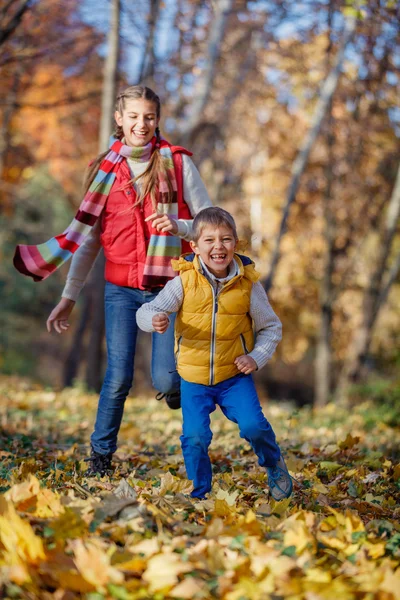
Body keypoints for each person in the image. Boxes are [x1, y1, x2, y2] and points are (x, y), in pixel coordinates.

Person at [13, 85, 212, 476]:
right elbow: (88, 241)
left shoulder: (177, 162)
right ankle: (99, 459)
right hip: (119, 290)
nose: (142, 124)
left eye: (149, 117)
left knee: (166, 378)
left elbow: (210, 222)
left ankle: (174, 391)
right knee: (117, 376)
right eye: (134, 116)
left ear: (158, 120)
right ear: (120, 119)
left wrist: (179, 225)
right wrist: (69, 296)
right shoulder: (104, 170)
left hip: (169, 288)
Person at [136, 207, 292, 501]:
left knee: (254, 427)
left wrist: (256, 358)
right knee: (194, 438)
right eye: (209, 240)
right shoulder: (184, 282)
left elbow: (271, 327)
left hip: (234, 376)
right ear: (194, 246)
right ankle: (200, 493)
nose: (218, 247)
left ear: (236, 244)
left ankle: (274, 464)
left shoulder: (248, 285)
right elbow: (148, 310)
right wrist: (153, 320)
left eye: (226, 239)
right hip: (193, 379)